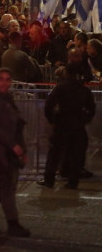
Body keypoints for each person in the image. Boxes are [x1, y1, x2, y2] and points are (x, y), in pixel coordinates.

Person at [0, 68, 31, 237]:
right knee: (8, 186)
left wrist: (21, 149)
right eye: (1, 79)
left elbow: (17, 125)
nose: (4, 83)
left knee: (7, 185)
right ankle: (12, 223)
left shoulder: (8, 99)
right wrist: (13, 145)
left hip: (9, 149)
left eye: (7, 80)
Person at [38, 49, 96, 189]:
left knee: (55, 153)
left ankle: (49, 180)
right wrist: (84, 119)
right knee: (77, 154)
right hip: (77, 124)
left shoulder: (60, 88)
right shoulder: (83, 90)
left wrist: (52, 120)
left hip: (62, 122)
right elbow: (92, 108)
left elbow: (49, 105)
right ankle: (72, 181)